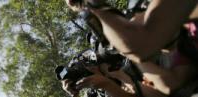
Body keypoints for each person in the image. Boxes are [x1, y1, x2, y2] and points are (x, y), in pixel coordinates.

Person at [65, 0, 198, 62]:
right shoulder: (135, 5)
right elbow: (134, 45)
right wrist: (90, 7)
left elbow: (141, 44)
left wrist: (92, 6)